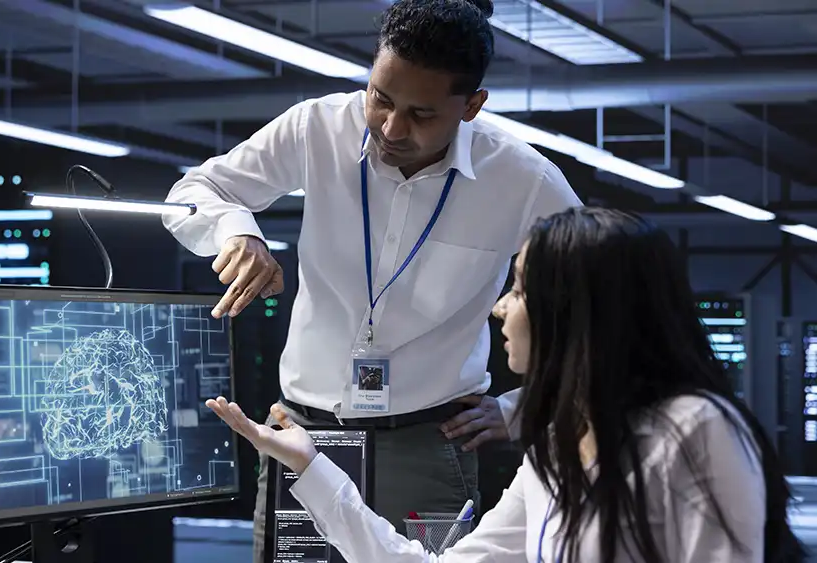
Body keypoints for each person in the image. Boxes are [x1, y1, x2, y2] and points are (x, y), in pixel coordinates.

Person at [162, 0, 580, 556]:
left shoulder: (523, 180)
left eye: (422, 114)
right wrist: (238, 233)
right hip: (305, 435)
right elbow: (191, 195)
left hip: (429, 444)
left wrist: (520, 408)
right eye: (380, 98)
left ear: (471, 106)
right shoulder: (318, 128)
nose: (390, 127)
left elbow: (606, 298)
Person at [206, 207, 807, 563]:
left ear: (573, 311)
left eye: (519, 290)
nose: (501, 309)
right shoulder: (556, 448)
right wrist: (312, 467)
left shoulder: (698, 430)